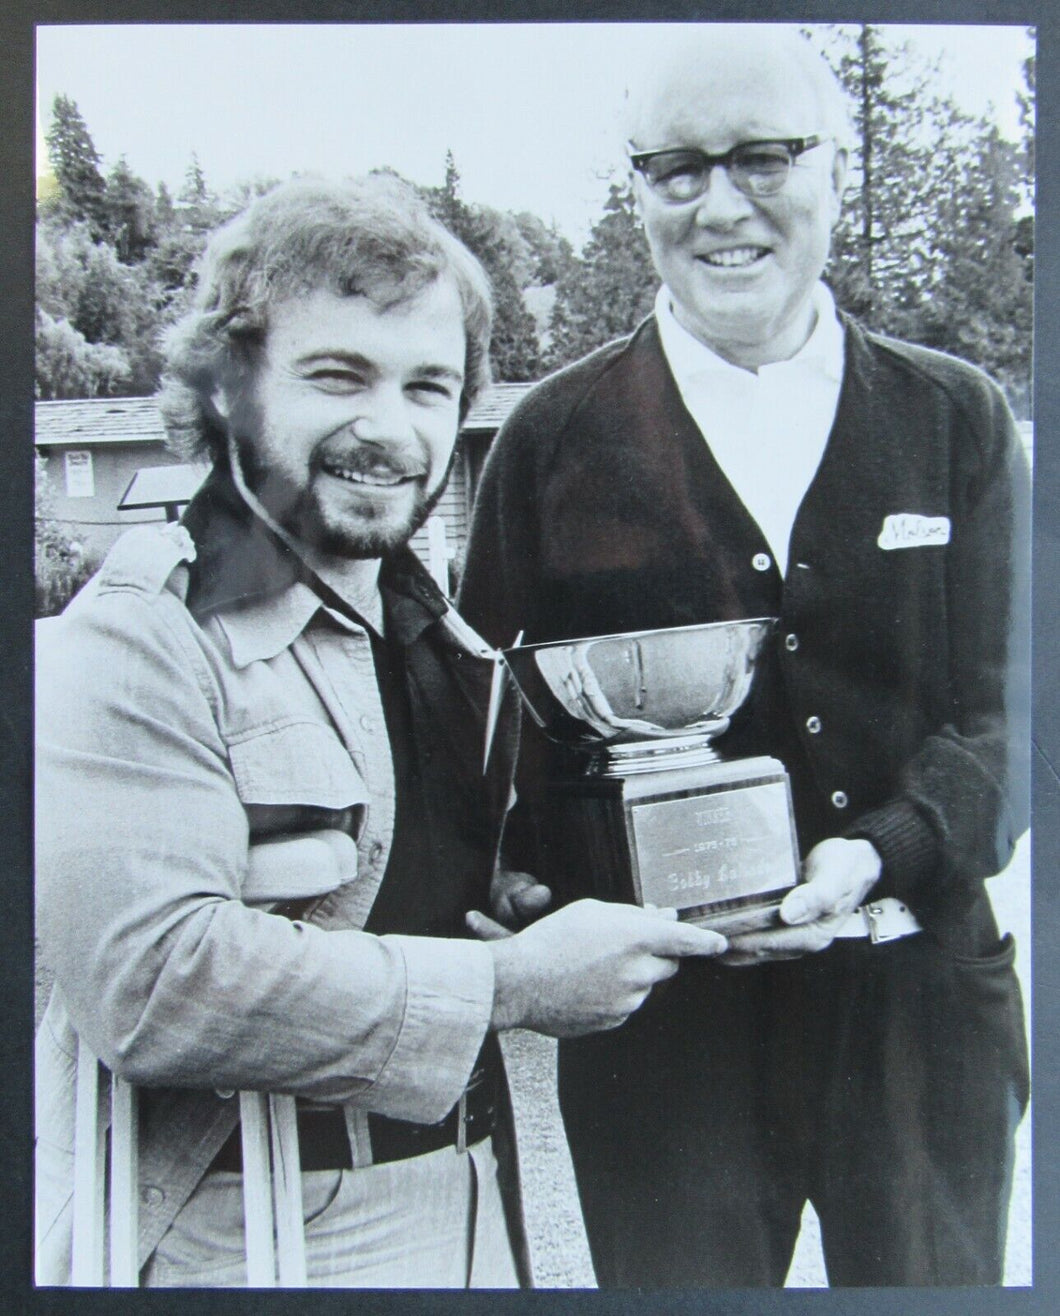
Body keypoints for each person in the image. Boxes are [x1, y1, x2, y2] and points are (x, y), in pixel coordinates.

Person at [33, 176, 729, 1289]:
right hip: (242, 1242)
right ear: (226, 391)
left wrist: (519, 903)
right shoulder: (139, 639)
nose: (390, 427)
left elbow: (403, 882)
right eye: (336, 375)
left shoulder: (439, 636)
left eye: (427, 386)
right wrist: (506, 989)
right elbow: (152, 981)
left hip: (468, 1213)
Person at [459, 26, 1030, 1288]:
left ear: (832, 173)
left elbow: (1015, 717)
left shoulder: (956, 418)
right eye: (677, 168)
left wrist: (883, 844)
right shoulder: (548, 442)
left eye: (764, 159)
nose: (722, 205)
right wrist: (529, 883)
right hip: (667, 1049)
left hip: (918, 1014)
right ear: (640, 190)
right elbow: (482, 735)